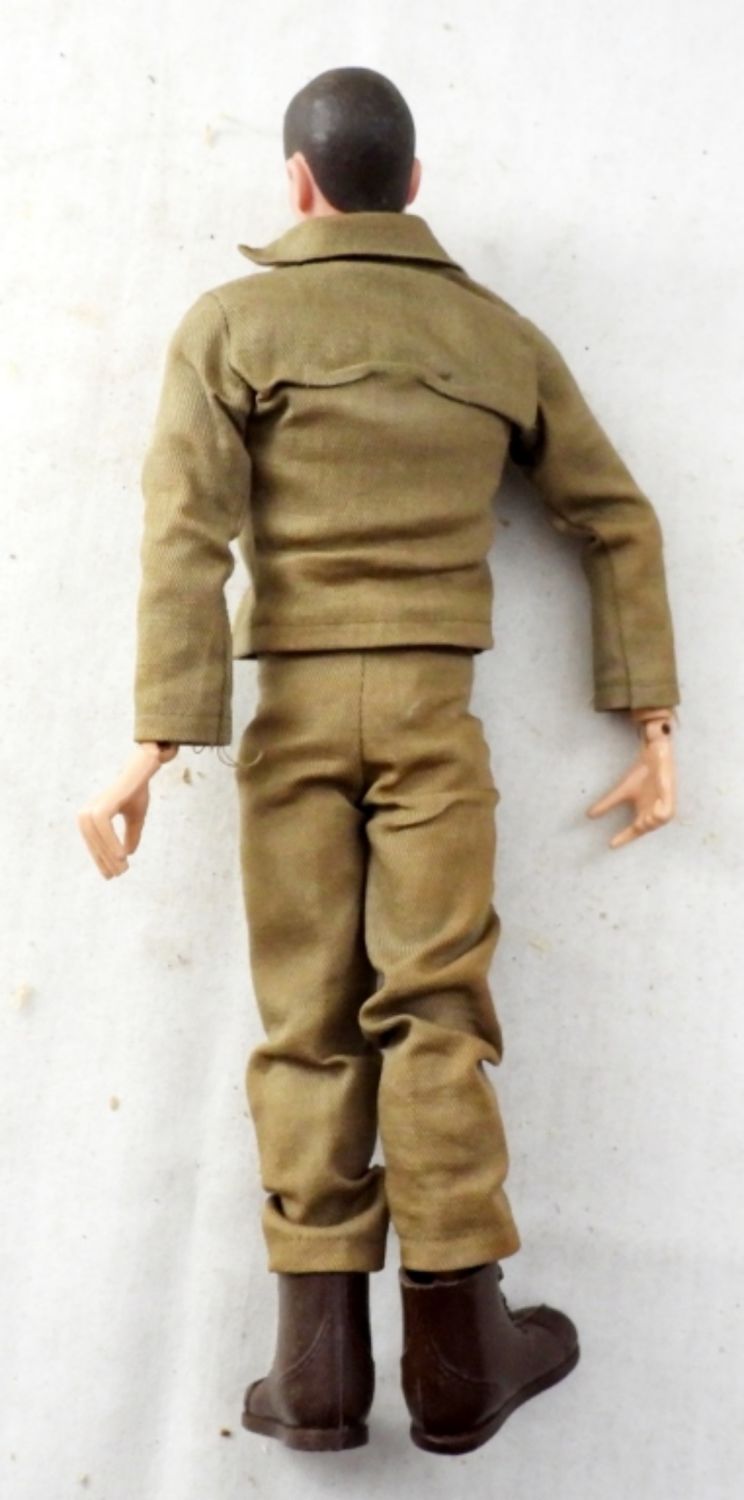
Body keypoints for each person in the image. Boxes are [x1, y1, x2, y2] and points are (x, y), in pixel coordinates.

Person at [78, 66, 680, 1455]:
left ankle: (317, 1366)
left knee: (306, 1019)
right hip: (431, 717)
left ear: (298, 183)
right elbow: (616, 515)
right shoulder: (495, 333)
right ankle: (461, 1351)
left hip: (288, 716)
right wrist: (651, 719)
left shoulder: (232, 324)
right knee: (436, 1008)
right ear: (413, 185)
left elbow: (185, 535)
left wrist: (155, 741)